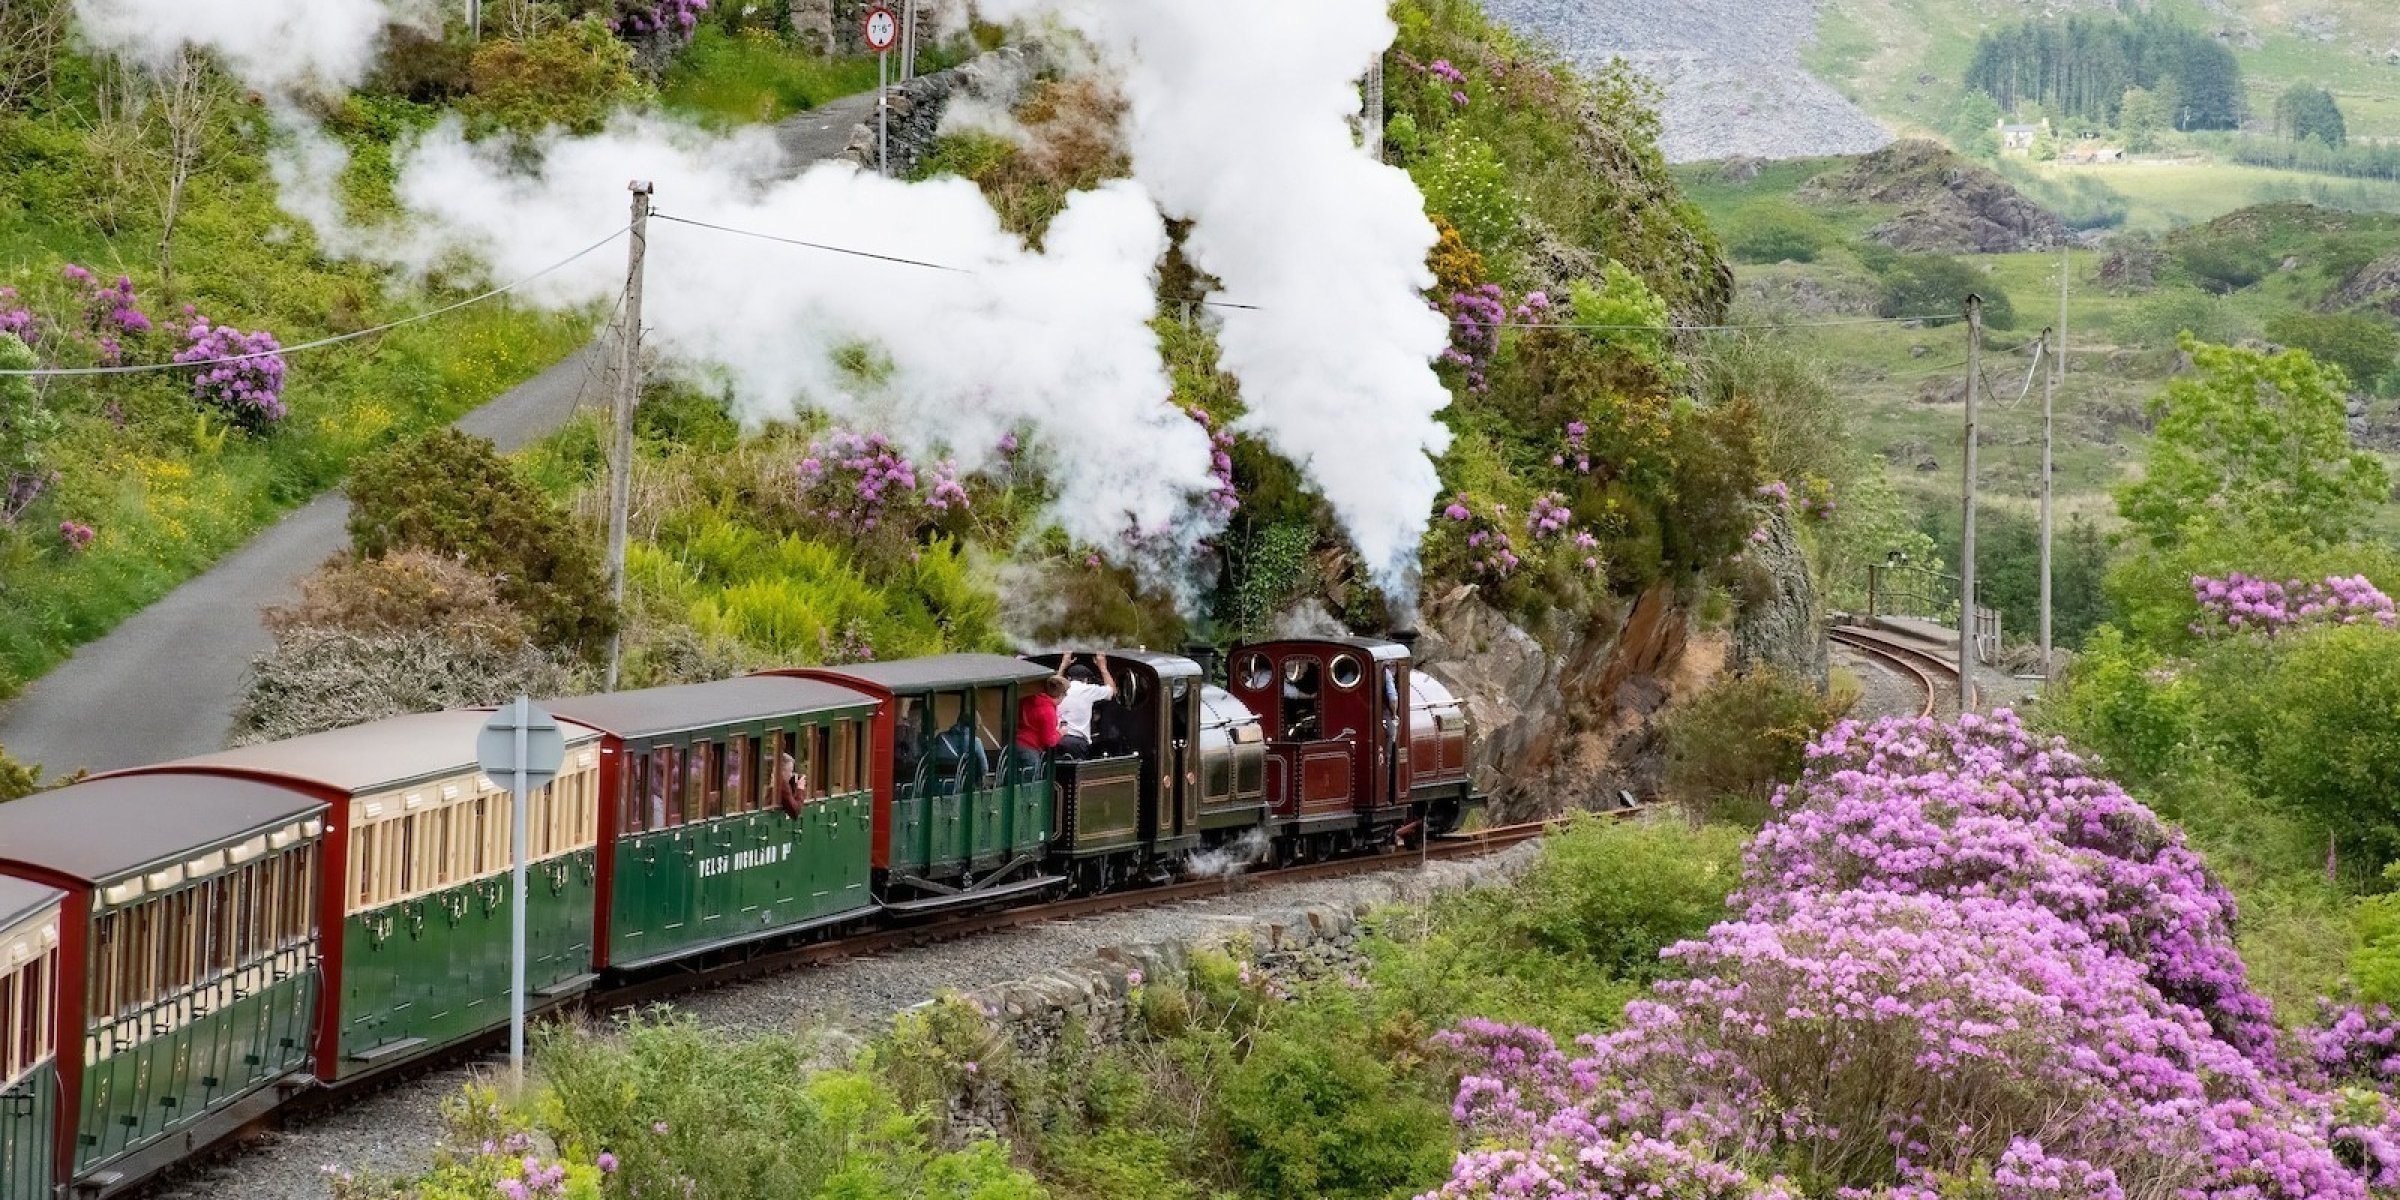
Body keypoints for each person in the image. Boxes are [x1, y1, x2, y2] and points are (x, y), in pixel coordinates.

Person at [1054, 652, 1115, 759]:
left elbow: (1053, 685)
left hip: (1057, 738)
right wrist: (1103, 667)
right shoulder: (1088, 689)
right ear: (1086, 680)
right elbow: (1112, 691)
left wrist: (1063, 665)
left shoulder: (1060, 688)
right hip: (1077, 741)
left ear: (1068, 678)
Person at [930, 707, 989, 793]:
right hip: (962, 788)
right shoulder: (975, 742)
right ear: (974, 726)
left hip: (938, 787)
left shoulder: (941, 738)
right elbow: (984, 769)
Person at [1016, 678, 1065, 778]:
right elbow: (1049, 740)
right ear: (1060, 695)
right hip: (1031, 749)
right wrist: (1060, 733)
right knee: (1031, 785)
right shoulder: (1048, 711)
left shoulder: (1028, 700)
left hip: (1015, 744)